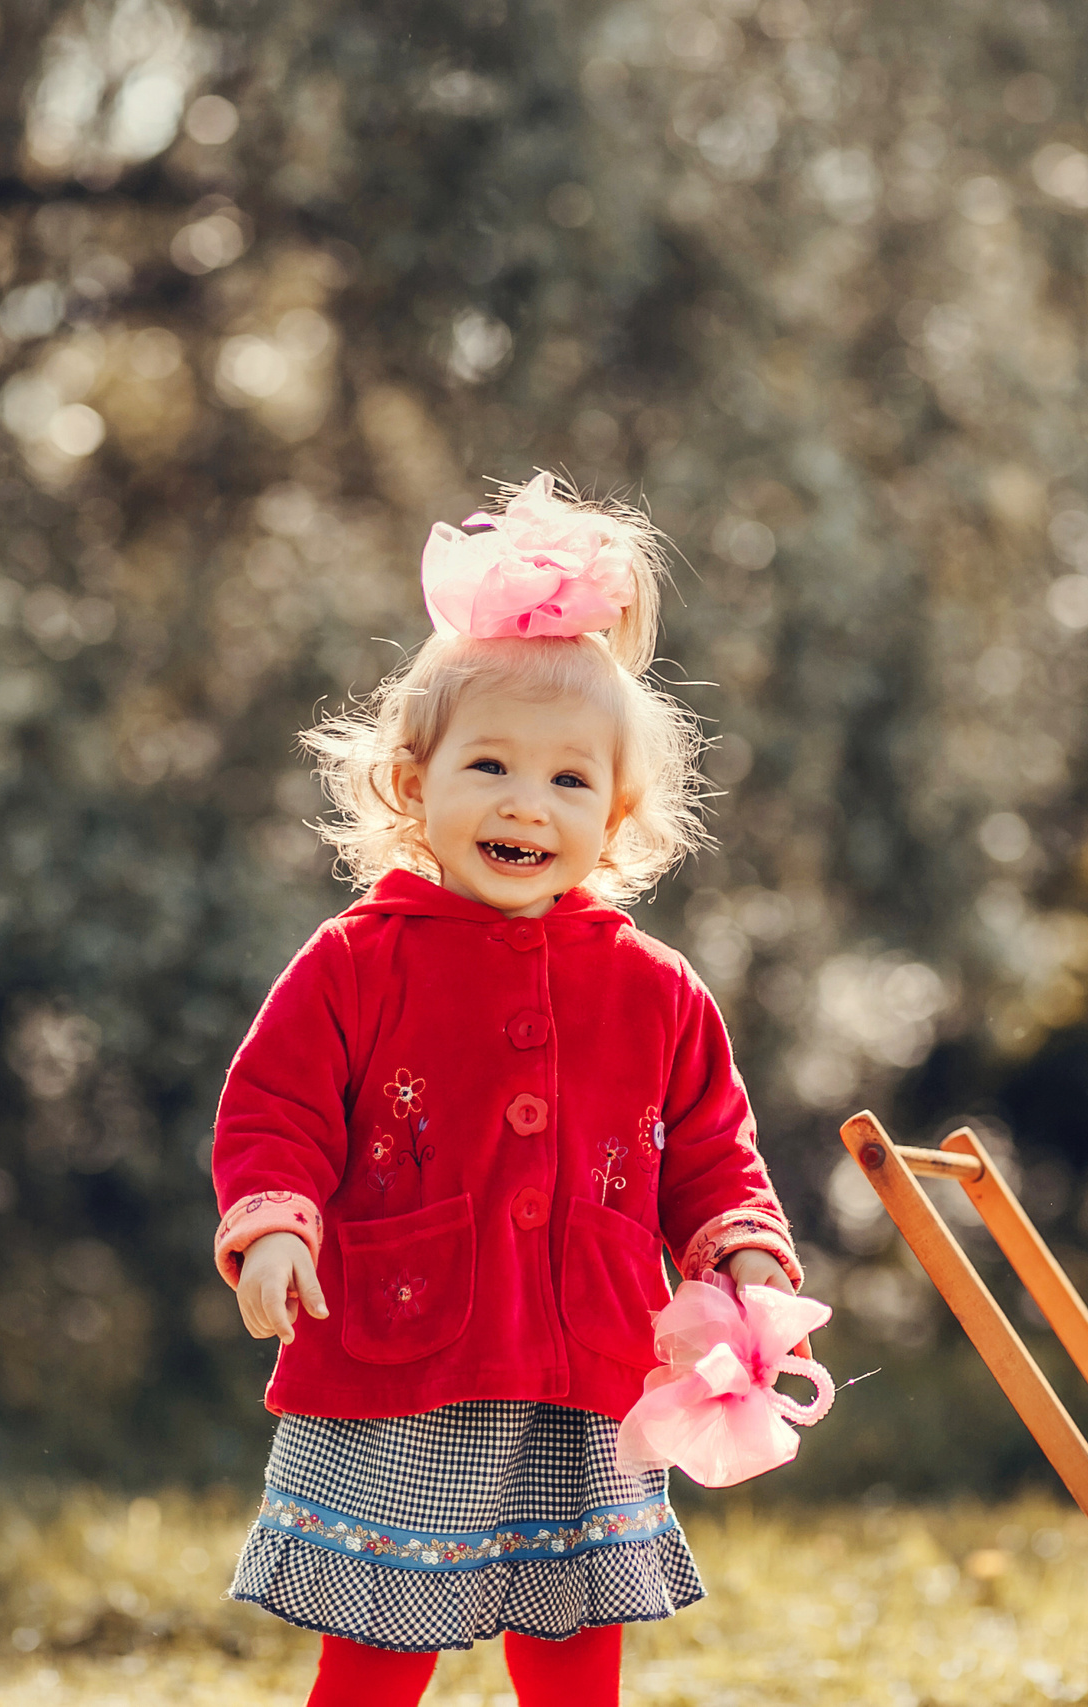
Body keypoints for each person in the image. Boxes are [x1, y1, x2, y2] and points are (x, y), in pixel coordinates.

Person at [210, 472, 803, 1707]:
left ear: (619, 812)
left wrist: (740, 1256)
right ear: (414, 785)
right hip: (405, 1356)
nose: (526, 802)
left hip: (587, 1366)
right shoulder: (357, 961)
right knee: (379, 1640)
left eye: (569, 782)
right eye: (489, 766)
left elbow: (710, 1147)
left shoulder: (655, 987)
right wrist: (273, 1224)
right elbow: (276, 1109)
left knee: (576, 1636)